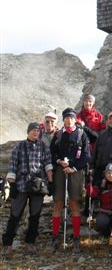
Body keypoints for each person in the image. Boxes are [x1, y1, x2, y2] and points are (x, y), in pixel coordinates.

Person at [2, 123, 53, 256]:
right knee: (15, 214)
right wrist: (12, 185)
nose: (36, 133)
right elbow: (13, 166)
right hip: (21, 184)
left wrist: (51, 182)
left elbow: (48, 165)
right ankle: (7, 244)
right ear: (28, 132)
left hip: (38, 185)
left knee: (35, 215)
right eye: (34, 130)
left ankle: (30, 242)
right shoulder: (19, 146)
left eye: (38, 130)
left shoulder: (44, 147)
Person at [50, 108, 90, 253]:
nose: (69, 120)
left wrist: (74, 167)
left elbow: (86, 156)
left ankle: (76, 237)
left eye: (71, 118)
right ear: (63, 119)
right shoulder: (59, 134)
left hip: (76, 171)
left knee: (74, 203)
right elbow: (52, 152)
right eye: (66, 117)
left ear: (75, 119)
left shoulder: (81, 134)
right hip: (60, 170)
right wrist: (59, 161)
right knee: (58, 203)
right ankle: (55, 236)